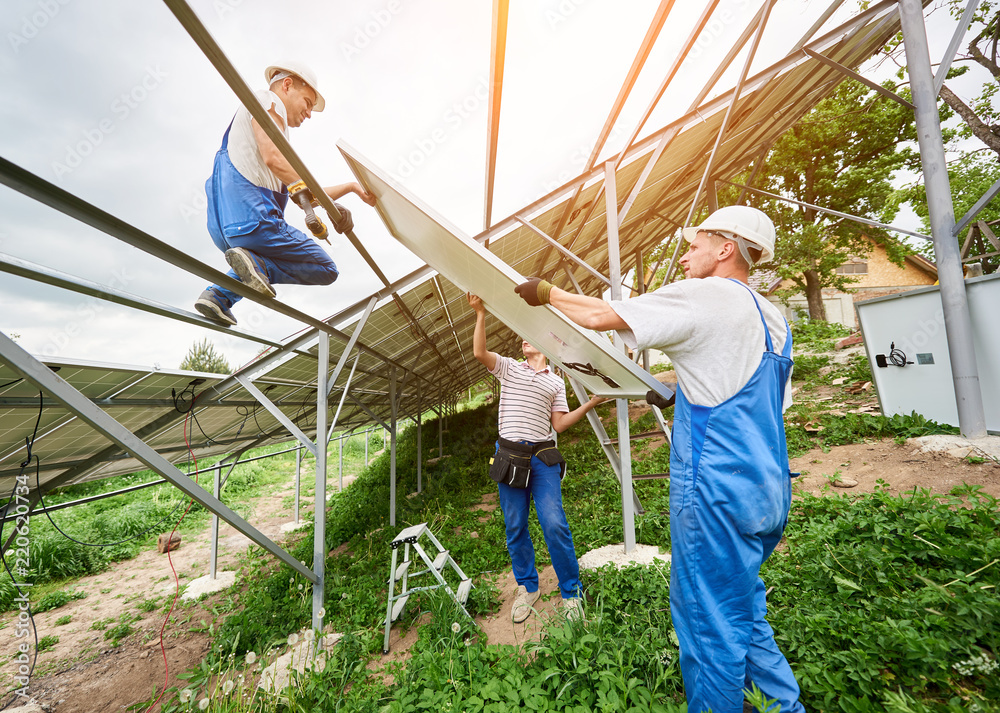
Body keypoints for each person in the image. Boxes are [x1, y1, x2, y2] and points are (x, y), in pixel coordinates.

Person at [512, 205, 803, 713]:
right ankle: (783, 706)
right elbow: (749, 396)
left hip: (717, 491)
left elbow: (601, 317)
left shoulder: (709, 293)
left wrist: (547, 294)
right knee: (742, 608)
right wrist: (678, 392)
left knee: (706, 619)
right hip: (767, 489)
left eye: (696, 245)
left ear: (726, 248)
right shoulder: (772, 317)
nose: (686, 256)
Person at [195, 61, 376, 327]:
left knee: (275, 261)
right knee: (326, 269)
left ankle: (219, 296)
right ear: (287, 84)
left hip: (225, 232)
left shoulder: (250, 137)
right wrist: (322, 203)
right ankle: (260, 266)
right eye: (308, 102)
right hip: (254, 222)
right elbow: (274, 158)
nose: (310, 113)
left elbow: (304, 192)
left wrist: (347, 191)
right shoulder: (267, 101)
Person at [468, 293, 605, 624]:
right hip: (509, 456)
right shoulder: (509, 368)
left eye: (533, 338)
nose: (524, 340)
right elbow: (479, 352)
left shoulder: (556, 383)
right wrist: (480, 314)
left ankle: (571, 592)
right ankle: (528, 587)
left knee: (554, 523)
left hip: (543, 459)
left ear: (547, 348)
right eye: (523, 338)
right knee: (515, 525)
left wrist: (590, 404)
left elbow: (558, 424)